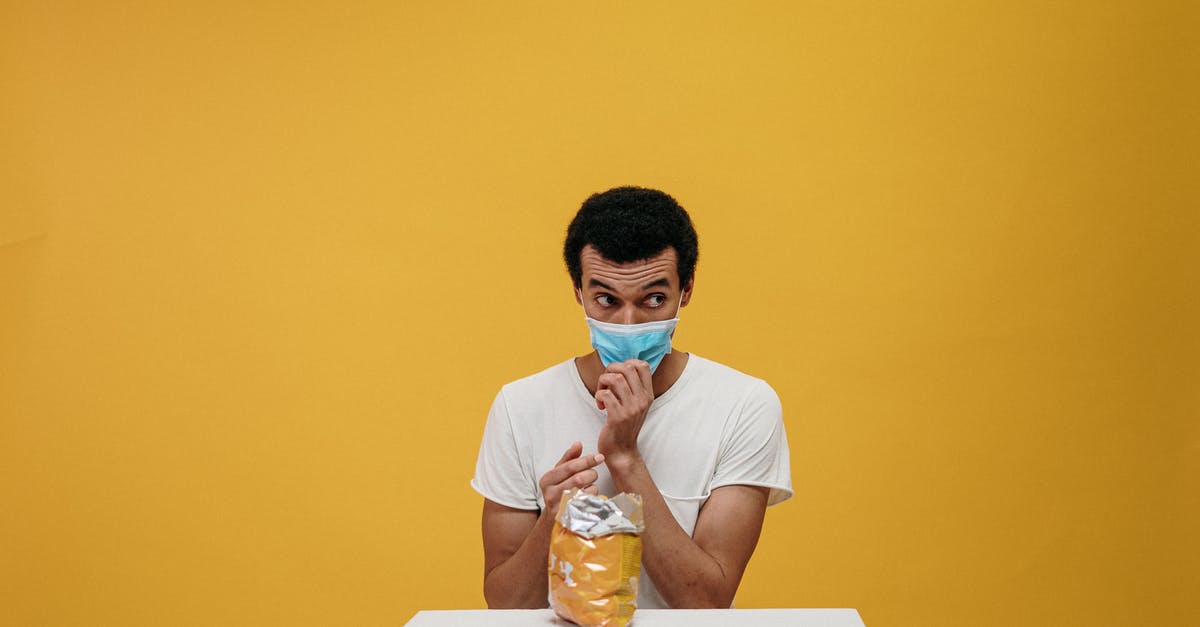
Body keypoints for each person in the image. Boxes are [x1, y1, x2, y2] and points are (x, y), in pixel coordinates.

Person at [471, 186, 792, 609]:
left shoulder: (745, 406)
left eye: (653, 299)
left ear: (686, 289)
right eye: (606, 300)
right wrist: (552, 519)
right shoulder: (519, 406)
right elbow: (504, 605)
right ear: (578, 292)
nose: (628, 323)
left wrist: (625, 460)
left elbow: (708, 602)